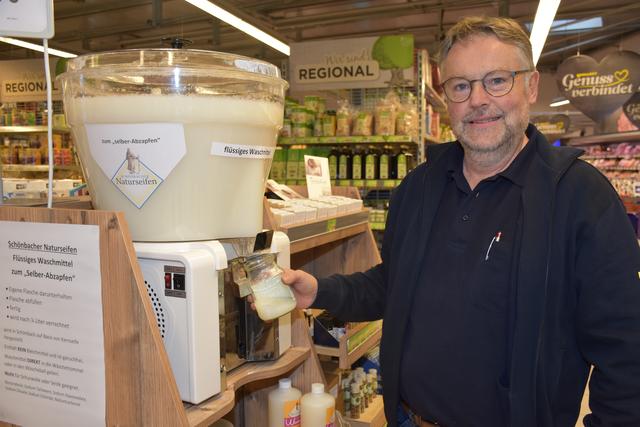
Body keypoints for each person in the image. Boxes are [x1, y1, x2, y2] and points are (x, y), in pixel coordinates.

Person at [280, 16, 640, 427]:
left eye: (497, 80)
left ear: (532, 86)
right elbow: (393, 283)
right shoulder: (418, 187)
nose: (478, 100)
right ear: (445, 95)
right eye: (461, 85)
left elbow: (627, 351)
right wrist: (321, 291)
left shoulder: (579, 196)